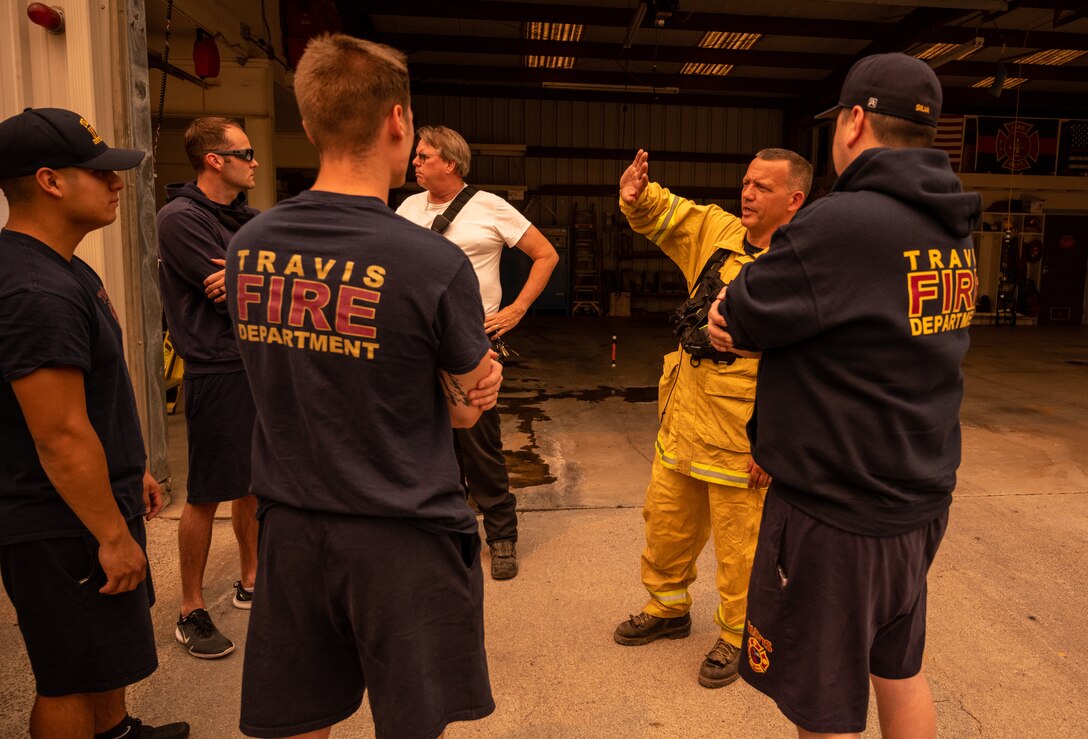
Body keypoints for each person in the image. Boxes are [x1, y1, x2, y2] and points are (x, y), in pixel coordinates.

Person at [227, 35, 501, 739]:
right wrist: (464, 389)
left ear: (310, 125)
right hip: (402, 533)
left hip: (289, 525)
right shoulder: (431, 263)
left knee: (297, 722)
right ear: (399, 122)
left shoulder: (249, 245)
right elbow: (470, 409)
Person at [708, 53, 981, 736]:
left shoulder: (840, 222)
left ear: (856, 120)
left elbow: (733, 317)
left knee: (823, 702)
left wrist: (749, 323)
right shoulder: (951, 225)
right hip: (917, 497)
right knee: (897, 667)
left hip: (839, 513)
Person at [0, 107, 189, 738]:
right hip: (59, 523)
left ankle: (118, 733)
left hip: (87, 502)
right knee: (70, 677)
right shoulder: (35, 290)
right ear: (51, 181)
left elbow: (90, 408)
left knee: (104, 654)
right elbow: (59, 434)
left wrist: (126, 476)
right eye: (101, 171)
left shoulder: (65, 268)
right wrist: (110, 534)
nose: (117, 183)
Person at [612, 148, 810, 688]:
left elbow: (809, 370)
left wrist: (775, 446)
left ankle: (739, 634)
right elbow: (667, 213)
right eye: (746, 182)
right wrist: (637, 194)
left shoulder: (803, 267)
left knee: (742, 545)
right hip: (683, 417)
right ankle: (669, 608)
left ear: (794, 200)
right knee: (666, 523)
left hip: (741, 437)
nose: (747, 193)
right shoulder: (717, 232)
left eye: (762, 188)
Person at [396, 125, 559, 580]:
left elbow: (545, 254)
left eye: (424, 156)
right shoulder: (408, 207)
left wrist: (516, 310)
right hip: (418, 342)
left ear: (450, 162)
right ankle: (448, 532)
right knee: (431, 444)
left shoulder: (489, 206)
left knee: (478, 443)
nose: (415, 162)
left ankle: (502, 536)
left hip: (471, 340)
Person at [157, 116, 260, 659]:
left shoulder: (249, 218)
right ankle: (190, 609)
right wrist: (263, 280)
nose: (255, 162)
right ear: (215, 160)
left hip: (257, 366)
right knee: (205, 491)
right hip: (216, 369)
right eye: (246, 153)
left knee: (253, 482)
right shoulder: (180, 218)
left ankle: (251, 580)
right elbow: (228, 296)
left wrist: (255, 278)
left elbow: (286, 283)